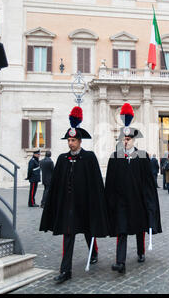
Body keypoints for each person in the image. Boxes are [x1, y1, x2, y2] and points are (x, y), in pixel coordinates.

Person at [39, 106, 110, 284]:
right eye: (69, 140)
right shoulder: (63, 159)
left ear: (79, 141)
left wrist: (96, 202)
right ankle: (65, 270)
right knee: (68, 235)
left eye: (73, 140)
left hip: (84, 205)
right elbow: (56, 184)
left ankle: (93, 252)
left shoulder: (89, 157)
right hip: (68, 207)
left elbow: (96, 183)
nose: (70, 143)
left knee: (87, 230)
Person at [104, 103, 162, 274]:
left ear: (133, 140)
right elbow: (110, 182)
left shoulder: (142, 157)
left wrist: (148, 201)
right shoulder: (115, 158)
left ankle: (141, 251)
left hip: (137, 200)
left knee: (138, 228)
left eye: (128, 139)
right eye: (124, 139)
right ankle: (120, 262)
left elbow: (148, 182)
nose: (126, 141)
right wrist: (109, 201)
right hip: (121, 201)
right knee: (121, 230)